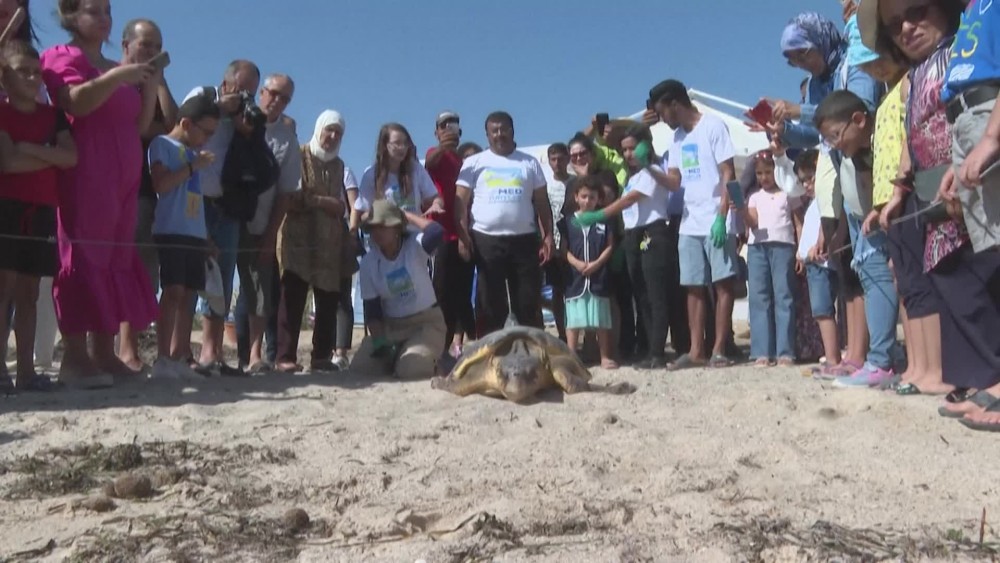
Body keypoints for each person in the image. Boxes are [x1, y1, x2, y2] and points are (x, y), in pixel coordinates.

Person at [862, 0, 1000, 405]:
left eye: (917, 11)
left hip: (965, 172)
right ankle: (975, 375)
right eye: (894, 26)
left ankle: (989, 374)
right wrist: (899, 190)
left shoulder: (961, 50)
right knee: (947, 276)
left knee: (976, 273)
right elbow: (913, 133)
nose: (907, 28)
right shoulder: (915, 74)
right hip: (933, 185)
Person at [41, 0, 161, 389]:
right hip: (87, 171)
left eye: (108, 10)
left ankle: (104, 352)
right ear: (71, 15)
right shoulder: (62, 55)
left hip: (125, 176)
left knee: (114, 259)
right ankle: (75, 357)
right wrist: (118, 76)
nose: (105, 18)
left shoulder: (114, 67)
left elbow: (139, 126)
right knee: (82, 256)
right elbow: (75, 102)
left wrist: (149, 86)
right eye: (94, 11)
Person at [0, 40, 76, 392]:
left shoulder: (52, 115)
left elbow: (70, 157)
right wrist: (48, 154)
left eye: (36, 72)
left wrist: (30, 148)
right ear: (5, 76)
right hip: (6, 207)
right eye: (22, 71)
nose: (32, 78)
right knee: (3, 290)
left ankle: (27, 371)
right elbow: (7, 162)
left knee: (30, 293)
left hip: (43, 209)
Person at [648, 79, 739, 369]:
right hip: (689, 222)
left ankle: (719, 348)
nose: (662, 119)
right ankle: (696, 350)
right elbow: (674, 182)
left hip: (716, 217)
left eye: (662, 112)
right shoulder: (677, 138)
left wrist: (722, 217)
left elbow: (729, 173)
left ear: (675, 104)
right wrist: (648, 167)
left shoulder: (713, 126)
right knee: (693, 286)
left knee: (722, 284)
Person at [186, 60, 263, 377]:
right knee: (189, 276)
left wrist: (247, 123)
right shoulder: (203, 96)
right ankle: (179, 351)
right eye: (242, 90)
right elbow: (181, 125)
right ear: (226, 83)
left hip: (228, 205)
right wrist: (219, 107)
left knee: (222, 280)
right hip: (194, 199)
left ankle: (212, 352)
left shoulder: (244, 116)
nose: (245, 97)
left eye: (251, 93)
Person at [575, 125, 673, 368]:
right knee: (641, 295)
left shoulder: (652, 171)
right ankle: (649, 349)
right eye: (624, 150)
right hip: (634, 234)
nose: (628, 154)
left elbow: (629, 200)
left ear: (645, 146)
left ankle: (657, 352)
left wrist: (599, 215)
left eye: (632, 148)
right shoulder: (633, 177)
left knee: (655, 294)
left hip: (652, 231)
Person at [455, 111, 555, 333]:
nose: (499, 134)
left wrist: (547, 236)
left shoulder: (529, 162)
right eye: (494, 130)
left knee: (528, 300)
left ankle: (531, 346)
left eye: (504, 129)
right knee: (490, 302)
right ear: (487, 135)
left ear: (512, 131)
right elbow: (460, 202)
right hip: (486, 239)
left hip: (524, 239)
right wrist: (462, 236)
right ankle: (491, 349)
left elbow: (541, 202)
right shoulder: (474, 162)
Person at [117, 17, 178, 374]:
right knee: (116, 265)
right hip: (114, 183)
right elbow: (131, 127)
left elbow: (171, 125)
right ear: (126, 45)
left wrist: (160, 81)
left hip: (145, 187)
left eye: (158, 46)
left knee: (141, 267)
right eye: (146, 45)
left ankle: (129, 348)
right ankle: (118, 349)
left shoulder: (153, 84)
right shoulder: (113, 78)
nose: (152, 51)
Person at [146, 92, 219, 380]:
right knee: (173, 290)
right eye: (206, 132)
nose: (208, 139)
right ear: (187, 123)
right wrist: (192, 167)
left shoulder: (194, 154)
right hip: (171, 228)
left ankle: (180, 355)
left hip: (194, 232)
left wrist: (206, 236)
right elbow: (161, 184)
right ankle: (162, 356)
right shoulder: (161, 144)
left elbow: (195, 198)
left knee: (189, 294)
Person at [274, 110, 352, 373]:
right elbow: (292, 195)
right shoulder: (299, 155)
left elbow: (341, 205)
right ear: (318, 129)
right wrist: (324, 202)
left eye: (338, 133)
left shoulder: (338, 165)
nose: (333, 137)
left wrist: (334, 206)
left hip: (328, 243)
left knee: (328, 299)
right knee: (292, 298)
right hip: (298, 238)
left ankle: (321, 357)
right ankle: (284, 356)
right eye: (329, 130)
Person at [234, 73, 300, 374]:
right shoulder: (233, 122)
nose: (277, 101)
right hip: (226, 214)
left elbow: (286, 192)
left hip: (260, 220)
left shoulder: (287, 138)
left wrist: (271, 235)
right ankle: (212, 353)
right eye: (273, 93)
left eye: (285, 98)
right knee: (216, 284)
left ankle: (255, 354)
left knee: (259, 290)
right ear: (261, 92)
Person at [350, 200, 447, 379]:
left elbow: (437, 232)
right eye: (373, 227)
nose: (377, 232)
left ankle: (437, 362)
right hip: (392, 327)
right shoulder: (369, 263)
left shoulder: (415, 245)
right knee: (361, 368)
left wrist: (406, 216)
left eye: (383, 226)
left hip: (425, 324)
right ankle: (399, 357)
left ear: (396, 228)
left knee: (411, 369)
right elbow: (373, 311)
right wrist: (380, 343)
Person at [941, 0, 1000, 255]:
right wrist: (958, 163)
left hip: (990, 113)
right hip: (966, 120)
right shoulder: (967, 12)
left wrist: (991, 137)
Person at [737, 150, 801, 367]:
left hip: (783, 247)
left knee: (784, 296)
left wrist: (800, 251)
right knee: (759, 297)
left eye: (768, 172)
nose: (764, 177)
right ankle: (762, 350)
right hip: (758, 248)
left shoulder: (788, 193)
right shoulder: (754, 197)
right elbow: (753, 223)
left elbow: (798, 223)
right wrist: (742, 210)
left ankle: (785, 351)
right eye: (759, 173)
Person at [425, 111, 475, 357]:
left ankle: (457, 345)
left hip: (462, 233)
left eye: (452, 125)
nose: (448, 129)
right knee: (441, 292)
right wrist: (443, 147)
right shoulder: (433, 154)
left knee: (462, 295)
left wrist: (465, 236)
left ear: (460, 132)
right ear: (436, 132)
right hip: (441, 235)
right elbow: (430, 163)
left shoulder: (463, 162)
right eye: (443, 125)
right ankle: (439, 348)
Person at [564, 176, 617, 369]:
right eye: (584, 196)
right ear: (576, 197)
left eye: (592, 197)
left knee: (601, 319)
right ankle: (571, 356)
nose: (588, 201)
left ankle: (605, 356)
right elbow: (563, 248)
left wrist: (597, 263)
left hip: (598, 277)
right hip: (575, 279)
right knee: (573, 320)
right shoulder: (567, 222)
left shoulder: (604, 220)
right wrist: (577, 263)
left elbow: (610, 245)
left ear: (598, 199)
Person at [355, 122, 443, 225]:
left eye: (405, 143)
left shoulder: (416, 169)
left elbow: (435, 197)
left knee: (435, 231)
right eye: (397, 143)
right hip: (385, 231)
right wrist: (380, 215)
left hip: (413, 230)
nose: (402, 147)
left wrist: (436, 204)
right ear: (385, 145)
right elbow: (361, 213)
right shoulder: (371, 174)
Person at [544, 142, 570, 342]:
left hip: (575, 244)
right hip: (554, 245)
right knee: (557, 291)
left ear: (567, 159)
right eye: (553, 159)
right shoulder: (545, 186)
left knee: (576, 291)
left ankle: (579, 335)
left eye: (561, 158)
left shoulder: (576, 182)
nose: (557, 163)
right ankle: (562, 334)